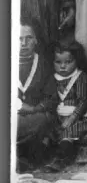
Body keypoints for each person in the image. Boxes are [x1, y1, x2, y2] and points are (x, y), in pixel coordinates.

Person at [45, 39, 87, 171]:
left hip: (79, 116)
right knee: (51, 131)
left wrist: (72, 117)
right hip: (61, 116)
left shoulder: (81, 78)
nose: (63, 66)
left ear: (77, 60)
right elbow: (50, 99)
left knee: (69, 133)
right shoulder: (53, 79)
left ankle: (61, 159)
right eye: (58, 62)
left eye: (68, 62)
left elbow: (84, 101)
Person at [16, 19, 58, 173]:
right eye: (19, 38)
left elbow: (52, 97)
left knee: (44, 120)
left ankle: (22, 156)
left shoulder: (43, 64)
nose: (24, 43)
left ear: (36, 40)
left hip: (34, 117)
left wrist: (35, 109)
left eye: (28, 38)